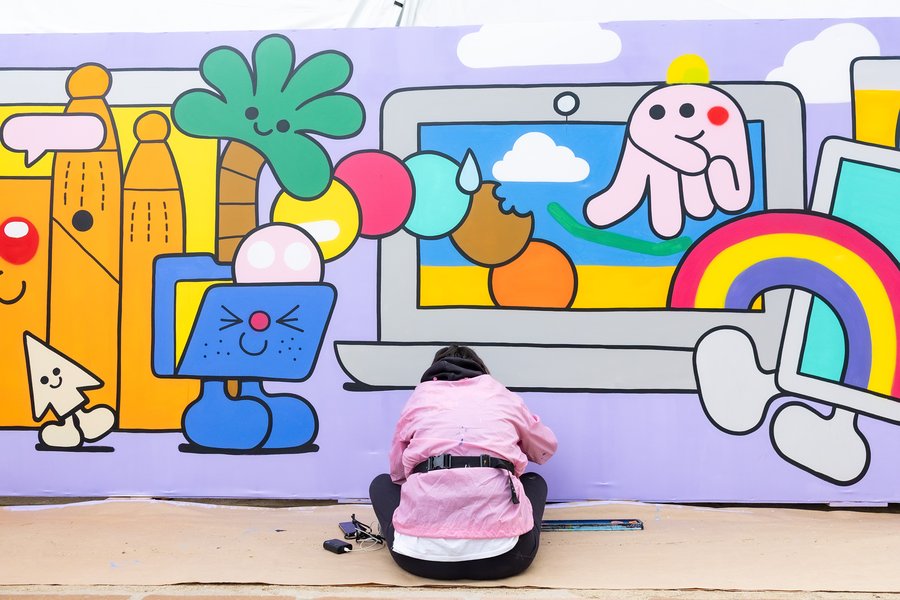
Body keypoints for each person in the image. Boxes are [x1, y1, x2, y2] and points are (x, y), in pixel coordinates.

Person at [369, 344, 558, 580]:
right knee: (534, 481)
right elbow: (546, 448)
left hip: (418, 560)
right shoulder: (502, 395)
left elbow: (397, 474)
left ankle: (417, 530)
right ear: (481, 370)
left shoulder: (419, 397)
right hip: (507, 557)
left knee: (381, 484)